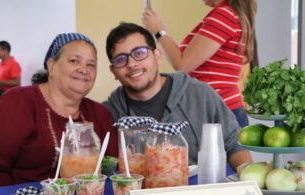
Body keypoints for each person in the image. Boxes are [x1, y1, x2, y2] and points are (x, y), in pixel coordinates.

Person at [103, 22, 252, 170]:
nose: (132, 64)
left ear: (157, 56)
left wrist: (248, 176)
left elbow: (234, 143)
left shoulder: (200, 94)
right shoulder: (106, 114)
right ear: (113, 71)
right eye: (120, 59)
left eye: (139, 53)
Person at [0, 33, 117, 189]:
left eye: (91, 64)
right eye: (74, 61)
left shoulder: (100, 114)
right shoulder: (18, 103)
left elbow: (114, 172)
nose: (84, 70)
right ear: (51, 66)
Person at [142, 0, 257, 127]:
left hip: (218, 113)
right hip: (218, 111)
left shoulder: (224, 16)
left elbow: (183, 64)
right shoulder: (228, 15)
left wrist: (158, 31)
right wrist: (161, 30)